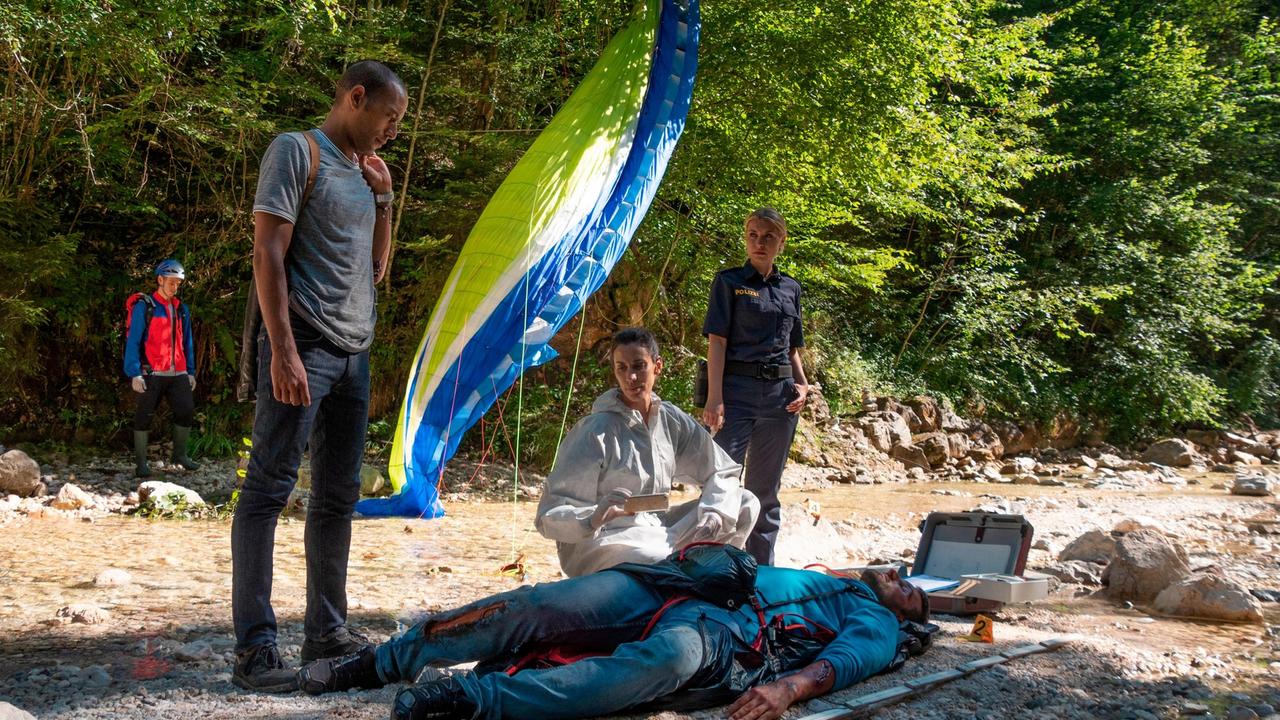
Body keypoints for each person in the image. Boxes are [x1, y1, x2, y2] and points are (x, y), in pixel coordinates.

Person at [230, 60, 408, 692]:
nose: (393, 129)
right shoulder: (294, 151)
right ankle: (254, 649)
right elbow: (267, 251)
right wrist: (280, 349)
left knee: (337, 498)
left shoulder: (366, 173)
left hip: (355, 351)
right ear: (355, 98)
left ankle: (326, 630)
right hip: (302, 341)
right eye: (388, 116)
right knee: (268, 490)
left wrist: (384, 198)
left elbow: (377, 266)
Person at [295, 550, 930, 720]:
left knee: (657, 664)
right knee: (534, 606)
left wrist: (789, 690)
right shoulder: (835, 575)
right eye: (900, 573)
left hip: (723, 631)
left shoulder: (873, 621)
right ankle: (377, 663)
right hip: (669, 583)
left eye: (908, 589)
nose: (897, 578)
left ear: (903, 615)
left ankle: (471, 701)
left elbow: (845, 664)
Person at [535, 327, 759, 576]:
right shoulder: (594, 430)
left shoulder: (671, 419)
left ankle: (713, 577)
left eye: (639, 366)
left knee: (745, 504)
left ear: (657, 366)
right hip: (607, 539)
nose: (630, 377)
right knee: (658, 558)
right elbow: (548, 514)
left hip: (658, 529)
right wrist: (592, 518)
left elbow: (722, 469)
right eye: (622, 367)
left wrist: (715, 514)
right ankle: (682, 572)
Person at [702, 208, 809, 566]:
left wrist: (804, 383)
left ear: (782, 241)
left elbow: (792, 346)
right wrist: (714, 399)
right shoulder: (729, 282)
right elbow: (716, 341)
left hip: (781, 400)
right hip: (736, 394)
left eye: (767, 236)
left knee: (765, 492)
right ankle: (714, 568)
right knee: (721, 485)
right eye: (752, 234)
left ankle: (762, 573)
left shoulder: (791, 287)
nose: (759, 242)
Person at [123, 258, 199, 477]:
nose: (175, 287)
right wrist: (134, 373)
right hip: (152, 373)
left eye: (178, 283)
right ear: (160, 279)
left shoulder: (181, 309)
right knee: (144, 416)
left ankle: (180, 456)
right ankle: (141, 464)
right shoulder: (145, 307)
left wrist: (190, 371)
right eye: (171, 282)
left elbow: (188, 342)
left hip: (178, 373)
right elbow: (134, 340)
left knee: (186, 412)